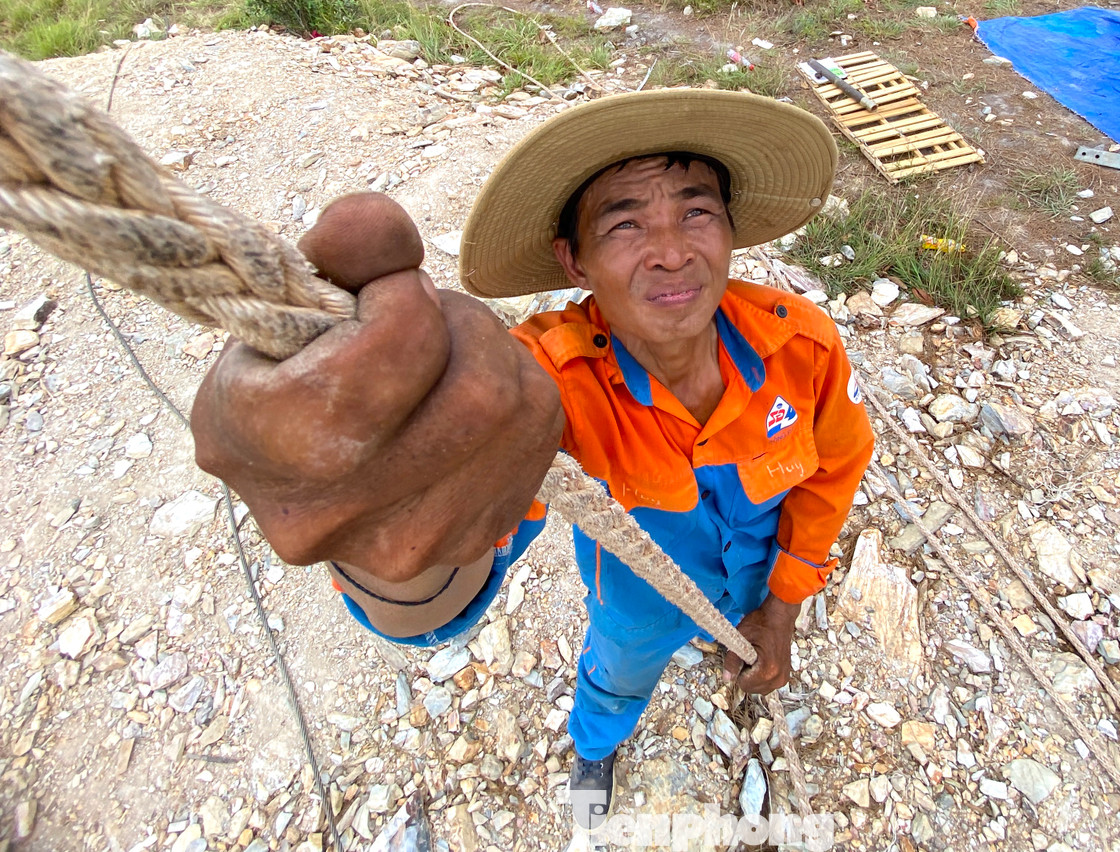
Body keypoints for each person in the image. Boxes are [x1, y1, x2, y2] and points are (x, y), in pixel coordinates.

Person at [191, 89, 875, 828]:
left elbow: (834, 471)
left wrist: (782, 605)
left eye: (697, 211)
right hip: (637, 607)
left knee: (738, 641)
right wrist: (388, 534)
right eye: (624, 223)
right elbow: (459, 557)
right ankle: (594, 747)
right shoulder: (548, 383)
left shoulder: (802, 345)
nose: (673, 250)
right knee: (617, 678)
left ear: (731, 232)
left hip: (753, 584)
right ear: (572, 261)